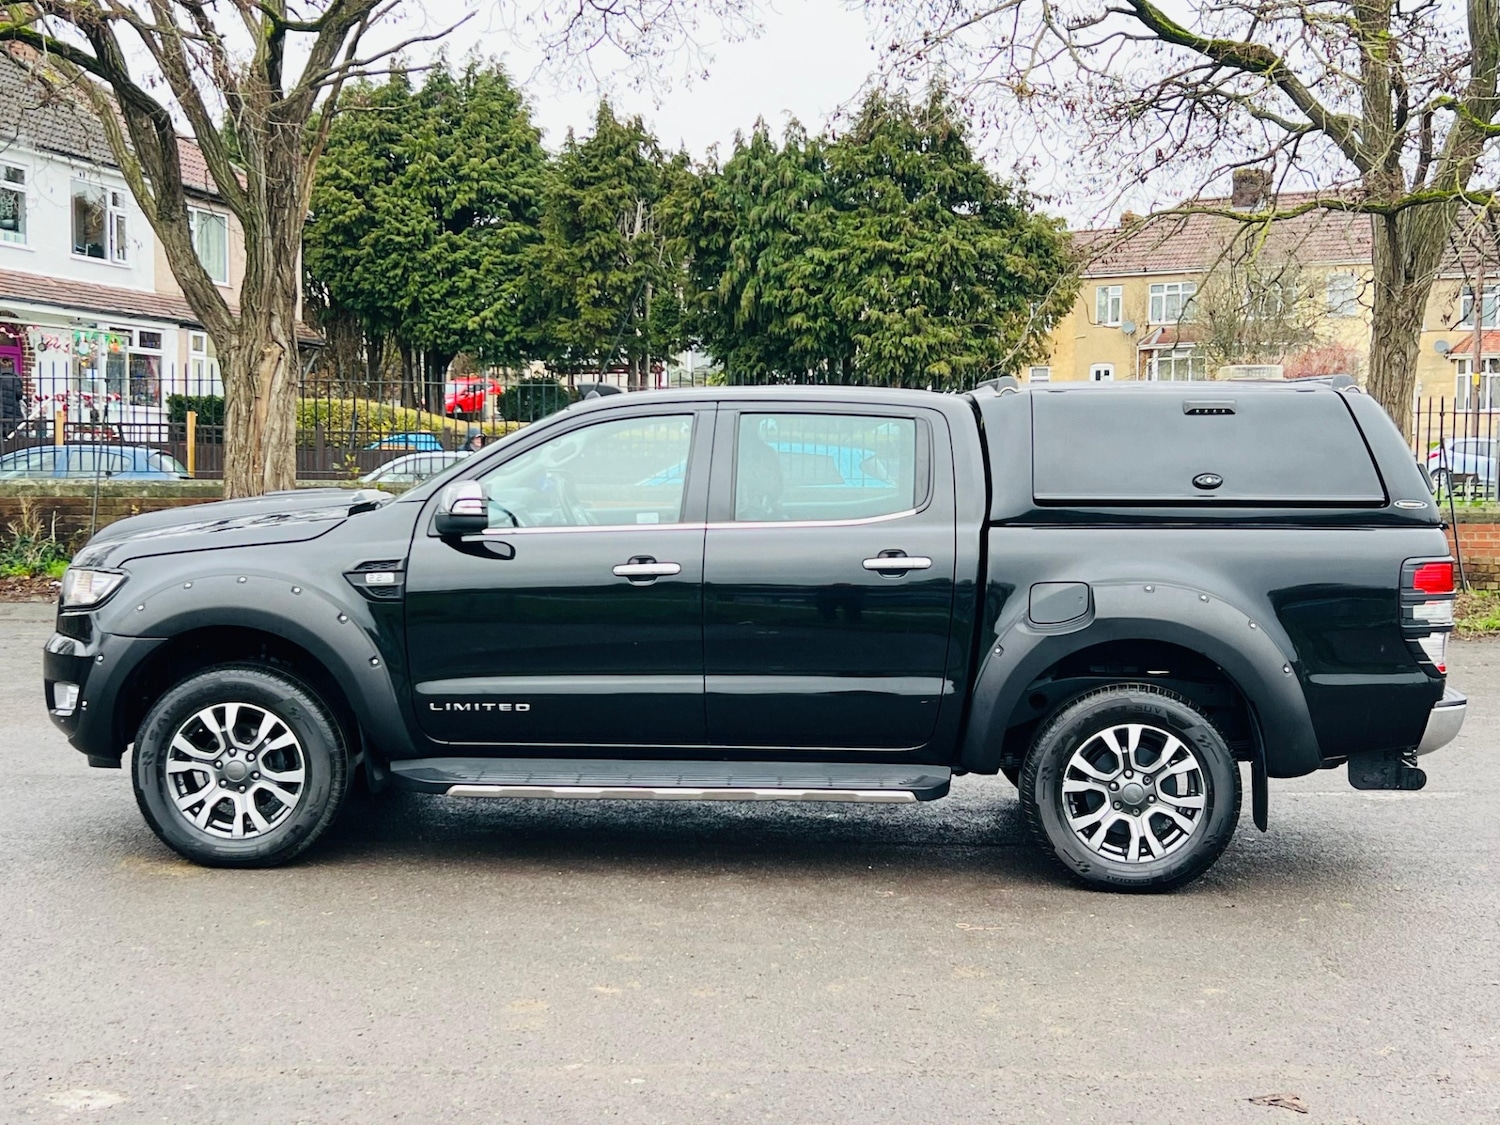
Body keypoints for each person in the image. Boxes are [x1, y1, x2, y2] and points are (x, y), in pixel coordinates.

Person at [0, 356, 23, 436]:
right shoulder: (15, 378)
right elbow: (19, 395)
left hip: (1, 413)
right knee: (14, 439)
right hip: (13, 414)